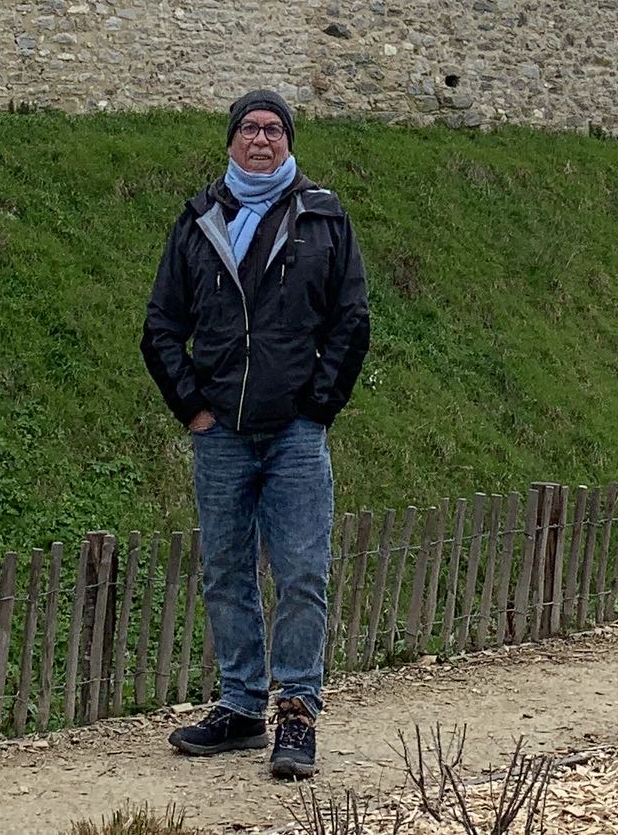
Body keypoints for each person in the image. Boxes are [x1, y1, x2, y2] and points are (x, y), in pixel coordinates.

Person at [140, 90, 373, 782]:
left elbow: (351, 320)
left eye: (274, 128)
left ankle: (296, 712)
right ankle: (241, 707)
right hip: (221, 433)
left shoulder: (323, 217)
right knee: (226, 571)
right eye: (249, 128)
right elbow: (161, 325)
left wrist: (318, 407)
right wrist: (192, 407)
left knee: (301, 572)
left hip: (294, 432)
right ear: (231, 141)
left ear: (289, 141)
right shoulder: (199, 220)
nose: (261, 139)